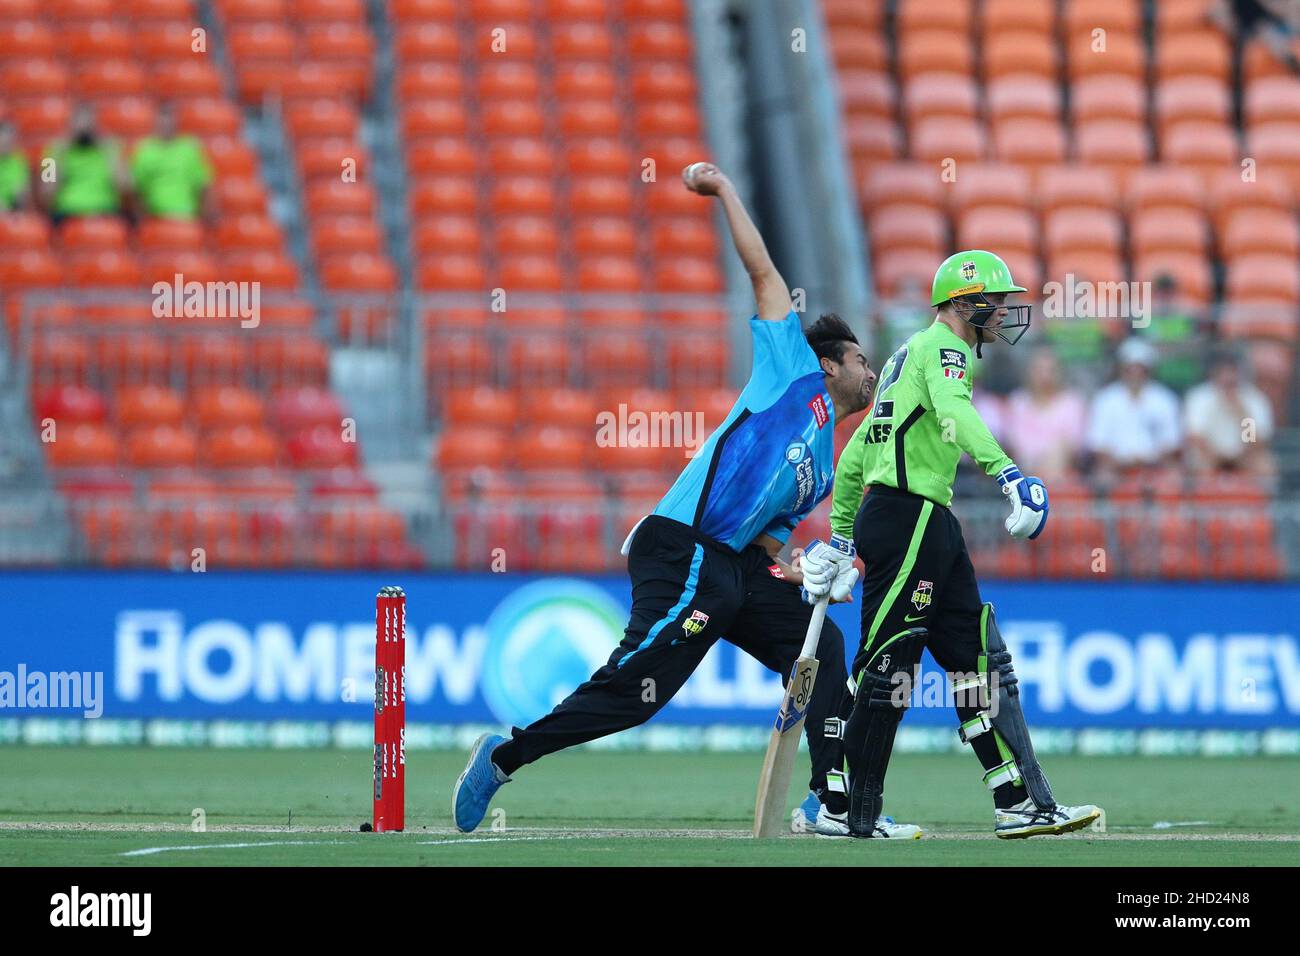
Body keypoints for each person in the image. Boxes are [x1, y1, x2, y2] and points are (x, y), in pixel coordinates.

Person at [452, 162, 884, 836]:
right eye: (862, 360)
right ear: (830, 365)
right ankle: (505, 755)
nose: (871, 370)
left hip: (732, 568)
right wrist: (726, 191)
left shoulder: (825, 470)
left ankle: (827, 798)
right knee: (635, 690)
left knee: (821, 644)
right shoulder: (791, 369)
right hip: (680, 544)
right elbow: (766, 275)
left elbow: (766, 546)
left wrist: (800, 573)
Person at [814, 249, 1102, 839]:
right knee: (888, 664)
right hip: (910, 513)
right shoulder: (944, 350)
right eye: (993, 302)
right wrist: (1009, 473)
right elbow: (952, 411)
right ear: (962, 304)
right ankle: (848, 812)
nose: (1001, 313)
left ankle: (1020, 801)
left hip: (920, 518)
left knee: (977, 659)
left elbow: (854, 455)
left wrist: (844, 536)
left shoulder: (904, 359)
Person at [1085, 337, 1182, 480]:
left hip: (1155, 467)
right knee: (1102, 477)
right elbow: (1098, 445)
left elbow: (1171, 444)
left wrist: (1147, 462)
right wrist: (1123, 463)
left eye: (1140, 369)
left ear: (1149, 370)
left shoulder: (1165, 399)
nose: (1135, 374)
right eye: (1130, 369)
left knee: (1173, 477)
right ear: (1121, 369)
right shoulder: (1105, 400)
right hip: (1115, 469)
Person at [1184, 351, 1277, 476]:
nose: (1228, 378)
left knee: (1264, 465)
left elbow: (1258, 443)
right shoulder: (1200, 397)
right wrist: (1216, 457)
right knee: (1199, 464)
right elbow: (1195, 437)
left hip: (1244, 455)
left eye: (1232, 372)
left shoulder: (1254, 398)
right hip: (1210, 455)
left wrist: (1241, 413)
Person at [1004, 348, 1086, 481]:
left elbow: (1073, 447)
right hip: (1024, 472)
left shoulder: (1072, 403)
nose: (1045, 376)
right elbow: (1014, 445)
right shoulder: (1017, 402)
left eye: (1051, 370)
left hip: (1063, 475)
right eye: (1039, 370)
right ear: (1029, 373)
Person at [39, 104, 128, 222]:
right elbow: (46, 192)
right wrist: (59, 156)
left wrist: (110, 154)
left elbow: (125, 188)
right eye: (79, 123)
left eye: (88, 123)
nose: (84, 127)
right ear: (71, 125)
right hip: (67, 213)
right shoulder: (52, 151)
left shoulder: (113, 148)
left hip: (105, 211)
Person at [129, 102, 213, 221]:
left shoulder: (190, 149)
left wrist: (203, 218)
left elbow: (204, 186)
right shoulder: (144, 151)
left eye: (169, 121)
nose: (166, 125)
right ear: (156, 123)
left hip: (187, 217)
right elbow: (136, 190)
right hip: (155, 217)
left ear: (176, 123)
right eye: (162, 121)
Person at [0, 120, 30, 211]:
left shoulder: (19, 161)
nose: (8, 143)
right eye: (5, 139)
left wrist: (20, 197)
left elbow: (24, 195)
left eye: (12, 138)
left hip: (11, 212)